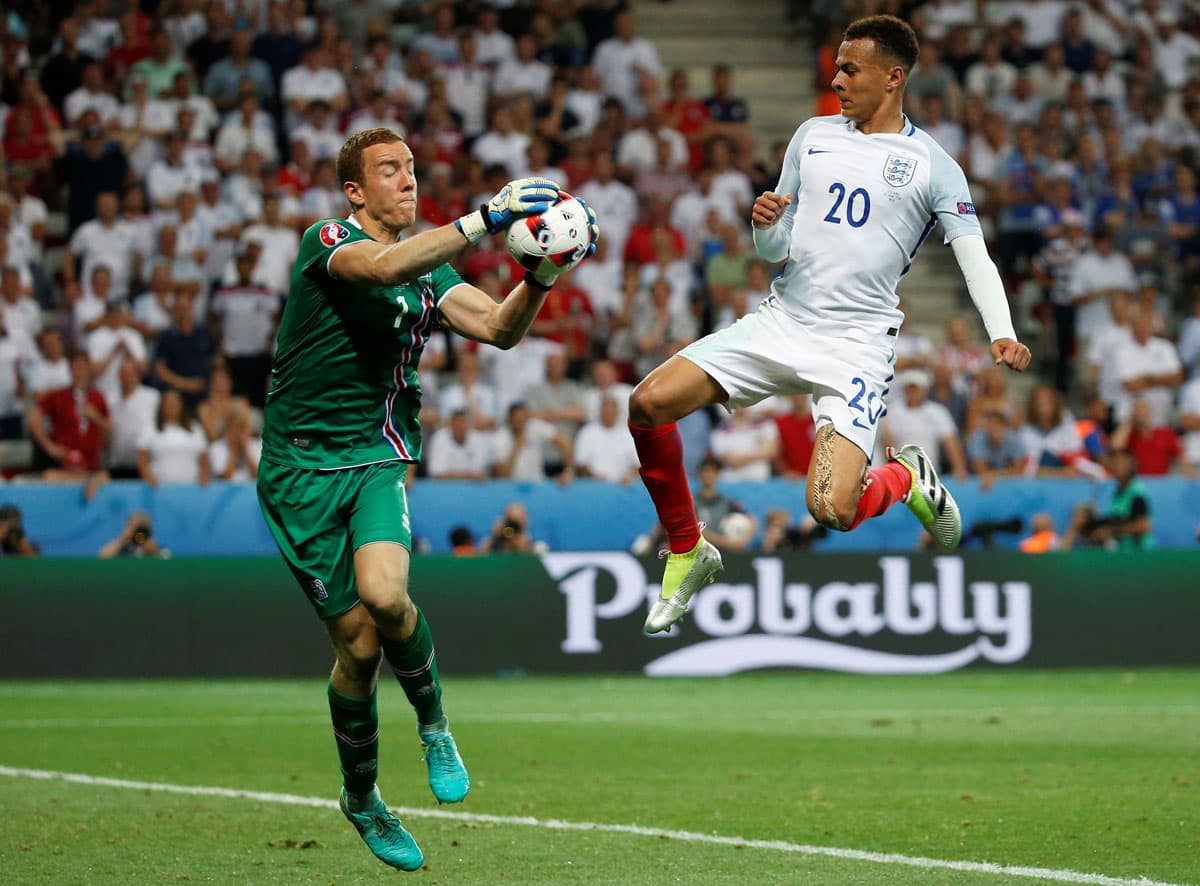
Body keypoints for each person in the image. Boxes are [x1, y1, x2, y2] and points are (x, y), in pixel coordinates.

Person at [254, 128, 596, 871]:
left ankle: (434, 723)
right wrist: (483, 221)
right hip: (298, 472)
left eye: (411, 168)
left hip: (377, 458)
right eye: (389, 170)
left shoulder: (431, 278)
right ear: (355, 191)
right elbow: (379, 269)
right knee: (357, 650)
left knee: (386, 595)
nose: (407, 180)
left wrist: (540, 274)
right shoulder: (328, 240)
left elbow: (499, 330)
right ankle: (363, 797)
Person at [626, 16, 1031, 634]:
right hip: (783, 321)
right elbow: (774, 249)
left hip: (856, 346)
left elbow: (972, 252)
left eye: (851, 69)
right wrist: (766, 225)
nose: (836, 78)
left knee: (830, 510)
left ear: (893, 77)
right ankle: (688, 549)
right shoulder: (811, 134)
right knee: (648, 403)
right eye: (836, 66)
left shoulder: (931, 164)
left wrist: (1000, 329)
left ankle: (905, 476)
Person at [98, 511, 168, 559]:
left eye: (141, 525)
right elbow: (103, 557)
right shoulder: (124, 549)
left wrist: (152, 549)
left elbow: (166, 561)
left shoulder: (161, 550)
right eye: (133, 525)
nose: (138, 531)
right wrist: (123, 538)